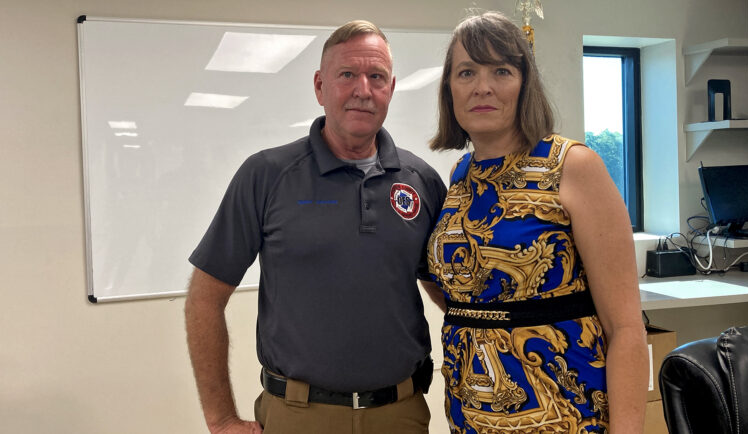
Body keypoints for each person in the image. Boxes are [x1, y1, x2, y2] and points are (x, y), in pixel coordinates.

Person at [185, 20, 447, 434]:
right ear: (320, 86)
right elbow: (204, 297)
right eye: (347, 75)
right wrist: (220, 419)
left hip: (401, 414)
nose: (363, 89)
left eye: (376, 77)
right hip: (297, 416)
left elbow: (448, 289)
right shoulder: (266, 175)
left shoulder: (422, 181)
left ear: (390, 89)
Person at [425, 11, 648, 433]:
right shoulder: (458, 177)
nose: (483, 87)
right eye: (467, 72)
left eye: (502, 70)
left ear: (525, 84)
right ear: (449, 89)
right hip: (470, 413)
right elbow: (462, 288)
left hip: (563, 412)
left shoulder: (572, 166)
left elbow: (625, 328)